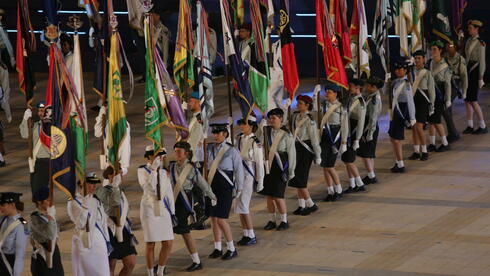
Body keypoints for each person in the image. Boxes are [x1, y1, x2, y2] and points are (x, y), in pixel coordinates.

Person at [169, 141, 216, 271]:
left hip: (184, 201)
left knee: (185, 232)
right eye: (175, 151)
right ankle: (162, 264)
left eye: (179, 152)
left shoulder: (191, 168)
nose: (176, 154)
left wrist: (212, 196)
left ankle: (196, 261)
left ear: (186, 154)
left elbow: (202, 183)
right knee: (167, 233)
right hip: (172, 201)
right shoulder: (172, 167)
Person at [206, 123, 244, 260]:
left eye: (218, 133)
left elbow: (239, 169)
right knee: (214, 218)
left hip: (225, 187)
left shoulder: (232, 150)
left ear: (225, 134)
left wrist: (239, 187)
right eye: (214, 133)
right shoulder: (209, 148)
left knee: (221, 219)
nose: (215, 135)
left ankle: (231, 248)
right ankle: (217, 247)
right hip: (212, 185)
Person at [137, 146, 174, 276]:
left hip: (163, 209)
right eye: (157, 156)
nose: (160, 158)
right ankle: (150, 273)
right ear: (149, 157)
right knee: (151, 243)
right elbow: (150, 188)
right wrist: (153, 170)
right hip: (149, 209)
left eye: (161, 156)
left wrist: (172, 211)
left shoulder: (164, 172)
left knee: (168, 242)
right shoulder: (142, 171)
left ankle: (160, 271)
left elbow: (168, 193)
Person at [259, 108, 296, 231]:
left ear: (281, 118)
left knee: (278, 196)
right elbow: (260, 144)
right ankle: (272, 220)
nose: (271, 120)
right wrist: (260, 129)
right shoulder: (267, 131)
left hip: (281, 165)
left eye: (274, 118)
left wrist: (291, 171)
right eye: (270, 118)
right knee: (269, 195)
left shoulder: (286, 134)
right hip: (269, 164)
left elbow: (292, 153)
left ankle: (284, 220)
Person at [68, 175, 111, 276]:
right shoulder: (73, 202)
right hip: (85, 244)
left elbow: (103, 222)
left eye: (95, 184)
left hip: (100, 244)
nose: (94, 186)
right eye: (91, 184)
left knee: (103, 272)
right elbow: (80, 224)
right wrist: (85, 206)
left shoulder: (96, 200)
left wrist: (107, 241)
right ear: (82, 184)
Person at [97, 167, 137, 276]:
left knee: (131, 263)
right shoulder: (101, 190)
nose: (121, 177)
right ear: (110, 176)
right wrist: (114, 187)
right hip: (109, 230)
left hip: (123, 229)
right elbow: (114, 202)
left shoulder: (120, 189)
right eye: (118, 174)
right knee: (110, 265)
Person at [288, 95, 321, 215]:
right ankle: (301, 205)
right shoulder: (295, 116)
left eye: (300, 103)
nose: (297, 105)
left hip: (305, 150)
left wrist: (318, 155)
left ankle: (311, 204)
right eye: (298, 103)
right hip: (296, 148)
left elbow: (314, 139)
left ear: (307, 105)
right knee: (297, 177)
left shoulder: (310, 120)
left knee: (301, 179)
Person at [235, 116, 264, 245]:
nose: (241, 126)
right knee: (239, 205)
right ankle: (245, 233)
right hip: (238, 175)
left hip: (248, 175)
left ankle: (251, 234)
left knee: (244, 205)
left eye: (244, 124)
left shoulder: (255, 141)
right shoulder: (239, 138)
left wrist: (260, 180)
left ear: (251, 126)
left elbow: (259, 163)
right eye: (240, 124)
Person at [318, 83, 345, 201]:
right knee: (324, 165)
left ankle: (338, 189)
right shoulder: (324, 105)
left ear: (336, 93)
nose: (327, 94)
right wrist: (315, 96)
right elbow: (314, 109)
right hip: (325, 135)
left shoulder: (340, 108)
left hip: (335, 136)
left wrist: (344, 142)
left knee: (330, 165)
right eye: (326, 92)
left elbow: (345, 126)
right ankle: (330, 190)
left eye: (329, 92)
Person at [389, 59, 416, 173]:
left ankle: (400, 164)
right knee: (393, 137)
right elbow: (388, 93)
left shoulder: (406, 84)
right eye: (397, 69)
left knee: (397, 139)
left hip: (402, 111)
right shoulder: (395, 82)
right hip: (395, 111)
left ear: (405, 70)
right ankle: (397, 161)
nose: (398, 71)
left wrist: (412, 117)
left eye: (400, 69)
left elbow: (410, 101)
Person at [30, 187, 64, 276]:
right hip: (43, 257)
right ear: (39, 202)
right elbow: (50, 235)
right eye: (48, 200)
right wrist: (51, 218)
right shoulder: (34, 218)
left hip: (54, 254)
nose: (51, 203)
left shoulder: (48, 214)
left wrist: (51, 217)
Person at [341, 79, 367, 193]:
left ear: (357, 87)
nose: (349, 88)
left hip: (353, 133)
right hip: (348, 132)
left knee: (350, 160)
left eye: (351, 86)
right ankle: (352, 184)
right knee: (346, 159)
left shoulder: (360, 102)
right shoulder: (350, 99)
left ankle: (359, 183)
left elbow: (361, 122)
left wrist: (357, 139)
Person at [409, 50, 435, 161]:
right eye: (416, 58)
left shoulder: (427, 73)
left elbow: (431, 90)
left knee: (419, 126)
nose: (417, 60)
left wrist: (432, 105)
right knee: (414, 127)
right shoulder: (410, 72)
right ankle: (416, 151)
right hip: (413, 100)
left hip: (423, 101)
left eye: (419, 58)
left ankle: (424, 151)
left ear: (424, 59)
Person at [20, 102, 50, 196]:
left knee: (39, 191)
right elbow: (25, 135)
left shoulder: (54, 126)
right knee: (34, 189)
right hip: (36, 162)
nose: (41, 113)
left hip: (47, 161)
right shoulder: (35, 125)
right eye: (39, 111)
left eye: (43, 111)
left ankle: (42, 208)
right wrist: (25, 119)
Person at [357, 76, 383, 183]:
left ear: (374, 87)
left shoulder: (374, 99)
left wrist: (369, 133)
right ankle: (371, 173)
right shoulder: (371, 96)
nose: (366, 87)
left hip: (369, 127)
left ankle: (371, 176)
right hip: (370, 127)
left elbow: (373, 117)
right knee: (369, 153)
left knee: (366, 153)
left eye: (368, 85)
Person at [464, 20, 487, 134]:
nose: (469, 30)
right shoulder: (468, 41)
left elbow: (482, 61)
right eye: (469, 28)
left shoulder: (480, 43)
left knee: (473, 100)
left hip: (475, 71)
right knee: (467, 100)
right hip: (468, 71)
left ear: (477, 29)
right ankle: (470, 125)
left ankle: (482, 125)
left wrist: (481, 77)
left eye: (471, 28)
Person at [428, 41, 451, 152]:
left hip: (440, 94)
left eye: (435, 49)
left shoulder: (445, 66)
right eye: (432, 49)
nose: (433, 52)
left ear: (440, 50)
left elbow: (447, 84)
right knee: (431, 120)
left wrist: (448, 99)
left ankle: (445, 143)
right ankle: (432, 143)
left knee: (437, 120)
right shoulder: (431, 63)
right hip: (431, 94)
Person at [0, 192, 28, 276]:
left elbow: (20, 253)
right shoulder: (3, 219)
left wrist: (16, 273)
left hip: (9, 264)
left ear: (12, 205)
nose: (1, 208)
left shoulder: (23, 223)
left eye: (3, 205)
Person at [446, 42, 468, 143]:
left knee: (446, 109)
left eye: (450, 46)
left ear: (455, 46)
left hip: (455, 84)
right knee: (447, 110)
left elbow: (464, 76)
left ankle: (453, 133)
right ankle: (452, 133)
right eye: (447, 46)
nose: (448, 48)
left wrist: (464, 90)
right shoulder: (445, 57)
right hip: (446, 84)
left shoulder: (460, 59)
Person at [0, 9, 14, 124]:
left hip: (2, 62)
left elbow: (7, 45)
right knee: (5, 89)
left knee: (5, 90)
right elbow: (7, 45)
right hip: (2, 62)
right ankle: (8, 114)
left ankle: (8, 114)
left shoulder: (2, 28)